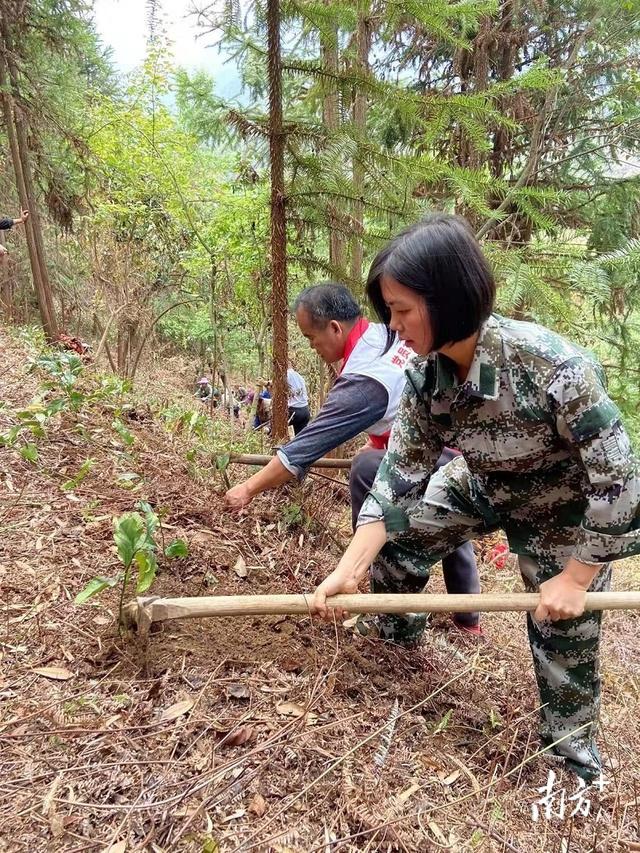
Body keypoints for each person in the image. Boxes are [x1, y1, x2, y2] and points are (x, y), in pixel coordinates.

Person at [311, 213, 640, 781]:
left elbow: (620, 483)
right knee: (400, 533)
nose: (395, 326)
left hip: (564, 508)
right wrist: (350, 567)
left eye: (402, 310)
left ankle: (572, 761)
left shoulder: (552, 367)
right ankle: (394, 643)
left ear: (449, 299)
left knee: (563, 637)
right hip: (482, 482)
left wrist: (576, 579)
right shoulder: (424, 378)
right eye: (389, 311)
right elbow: (396, 483)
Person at [225, 281, 482, 633]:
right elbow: (398, 409)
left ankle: (389, 606)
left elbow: (304, 448)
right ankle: (466, 618)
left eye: (311, 338)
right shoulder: (381, 336)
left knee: (368, 473)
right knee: (401, 479)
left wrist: (248, 489)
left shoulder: (365, 379)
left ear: (334, 327)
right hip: (453, 443)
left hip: (455, 454)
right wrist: (379, 442)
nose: (312, 346)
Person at [287, 363, 310, 434]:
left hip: (294, 411)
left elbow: (275, 383)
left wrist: (267, 383)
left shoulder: (287, 374)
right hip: (305, 410)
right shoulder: (299, 376)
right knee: (300, 437)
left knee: (275, 424)